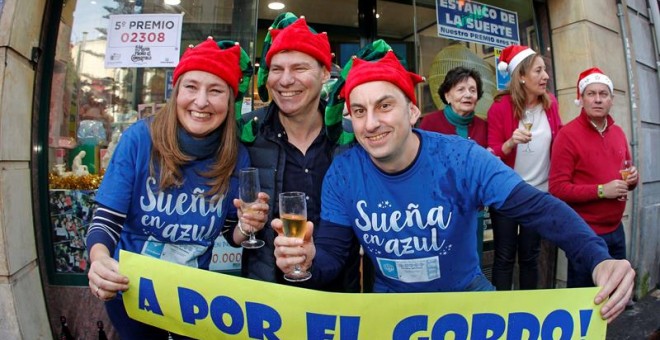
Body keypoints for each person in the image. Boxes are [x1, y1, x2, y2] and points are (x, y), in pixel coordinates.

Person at [272, 48, 635, 322]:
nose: (371, 124)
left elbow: (539, 208)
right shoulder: (344, 172)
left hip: (467, 296)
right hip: (390, 307)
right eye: (360, 110)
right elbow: (333, 256)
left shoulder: (462, 158)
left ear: (412, 111)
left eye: (384, 105)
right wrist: (308, 260)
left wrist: (598, 260)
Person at [85, 38, 269, 339]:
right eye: (192, 87)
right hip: (131, 294)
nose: (201, 102)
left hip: (192, 301)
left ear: (229, 99)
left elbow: (229, 233)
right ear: (176, 91)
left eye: (216, 90)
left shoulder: (236, 155)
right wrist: (99, 258)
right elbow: (106, 219)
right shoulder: (139, 140)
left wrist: (248, 227)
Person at [224, 13, 362, 292]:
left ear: (325, 72)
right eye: (276, 69)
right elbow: (227, 226)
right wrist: (242, 225)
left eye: (299, 68)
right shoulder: (247, 134)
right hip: (268, 300)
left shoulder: (352, 138)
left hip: (340, 300)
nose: (285, 80)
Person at [549, 67, 639, 288]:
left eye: (603, 94)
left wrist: (633, 179)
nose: (598, 99)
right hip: (585, 233)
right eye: (591, 94)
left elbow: (627, 177)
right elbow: (557, 188)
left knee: (614, 294)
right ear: (581, 98)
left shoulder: (618, 133)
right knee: (584, 300)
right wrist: (601, 190)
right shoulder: (567, 135)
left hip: (616, 230)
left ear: (611, 99)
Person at [487, 44, 562, 291]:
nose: (546, 76)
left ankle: (526, 313)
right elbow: (492, 153)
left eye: (545, 70)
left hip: (538, 194)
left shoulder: (551, 104)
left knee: (530, 257)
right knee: (504, 257)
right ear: (521, 76)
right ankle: (499, 314)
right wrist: (510, 142)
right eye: (538, 71)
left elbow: (560, 141)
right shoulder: (499, 109)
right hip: (507, 192)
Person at [419, 66, 488, 263]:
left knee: (472, 261)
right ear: (447, 95)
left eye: (473, 90)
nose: (468, 95)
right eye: (461, 89)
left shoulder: (484, 126)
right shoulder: (430, 124)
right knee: (443, 263)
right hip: (439, 212)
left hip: (475, 210)